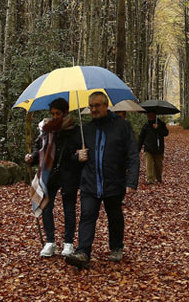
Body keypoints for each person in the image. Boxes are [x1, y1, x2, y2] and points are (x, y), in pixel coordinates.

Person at [65, 92, 139, 269]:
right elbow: (68, 153)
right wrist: (77, 156)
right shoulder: (85, 129)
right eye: (91, 106)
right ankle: (83, 252)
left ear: (106, 105)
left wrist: (131, 181)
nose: (94, 109)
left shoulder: (122, 126)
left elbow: (132, 155)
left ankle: (116, 247)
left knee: (114, 216)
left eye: (97, 105)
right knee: (87, 215)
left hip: (114, 181)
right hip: (90, 182)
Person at [24, 98, 82, 258]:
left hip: (69, 174)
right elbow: (40, 149)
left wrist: (78, 156)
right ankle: (50, 242)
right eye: (53, 113)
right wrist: (32, 157)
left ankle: (68, 243)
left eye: (58, 113)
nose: (55, 116)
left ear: (66, 112)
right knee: (46, 207)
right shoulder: (48, 129)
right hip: (50, 173)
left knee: (69, 209)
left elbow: (77, 152)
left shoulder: (76, 130)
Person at [138, 111, 169, 184]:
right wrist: (137, 149)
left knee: (158, 165)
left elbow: (166, 133)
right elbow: (141, 138)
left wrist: (158, 128)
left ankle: (158, 178)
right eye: (149, 115)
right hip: (148, 149)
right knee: (149, 165)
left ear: (155, 115)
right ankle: (150, 180)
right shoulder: (146, 126)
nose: (150, 116)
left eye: (151, 115)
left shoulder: (161, 124)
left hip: (158, 149)